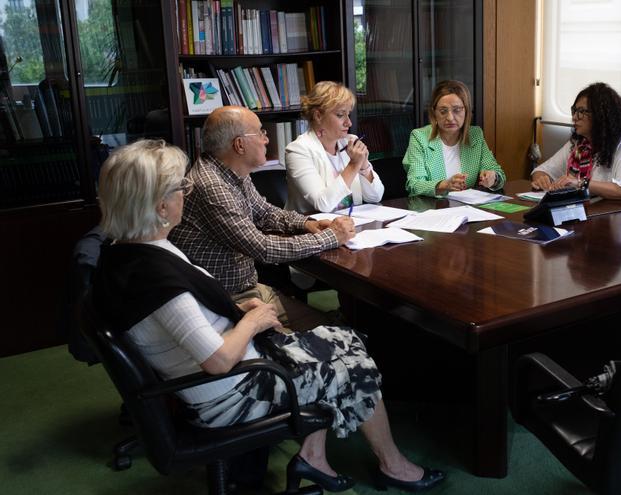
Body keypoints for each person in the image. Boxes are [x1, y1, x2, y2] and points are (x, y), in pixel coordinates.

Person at [92, 139, 445, 493]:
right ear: (161, 206)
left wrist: (239, 311)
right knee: (353, 363)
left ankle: (313, 457)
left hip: (228, 375)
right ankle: (393, 466)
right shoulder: (156, 279)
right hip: (235, 394)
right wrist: (253, 321)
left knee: (345, 339)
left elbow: (191, 316)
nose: (187, 192)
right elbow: (218, 360)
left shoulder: (131, 252)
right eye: (180, 187)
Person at [168, 106, 352, 325]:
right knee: (329, 335)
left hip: (249, 289)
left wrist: (306, 223)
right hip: (227, 301)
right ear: (239, 144)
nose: (266, 139)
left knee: (333, 326)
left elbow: (264, 212)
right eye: (261, 132)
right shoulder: (212, 186)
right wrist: (330, 237)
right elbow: (263, 248)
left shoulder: (231, 171)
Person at [530, 82, 621, 203]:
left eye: (581, 112)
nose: (574, 117)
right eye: (574, 111)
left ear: (601, 116)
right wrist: (542, 179)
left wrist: (581, 183)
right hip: (593, 213)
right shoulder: (578, 146)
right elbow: (541, 170)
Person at [285, 81, 384, 213]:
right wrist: (354, 165)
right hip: (311, 229)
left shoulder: (350, 142)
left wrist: (364, 165)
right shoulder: (298, 151)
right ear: (318, 116)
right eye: (340, 115)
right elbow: (323, 204)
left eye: (348, 114)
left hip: (350, 225)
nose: (349, 122)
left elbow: (375, 196)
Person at [402, 80, 506, 197]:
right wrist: (445, 185)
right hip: (433, 209)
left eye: (457, 110)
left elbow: (498, 174)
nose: (450, 118)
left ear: (466, 112)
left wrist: (493, 178)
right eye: (443, 111)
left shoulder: (475, 135)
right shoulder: (420, 137)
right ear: (434, 113)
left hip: (468, 209)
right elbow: (414, 184)